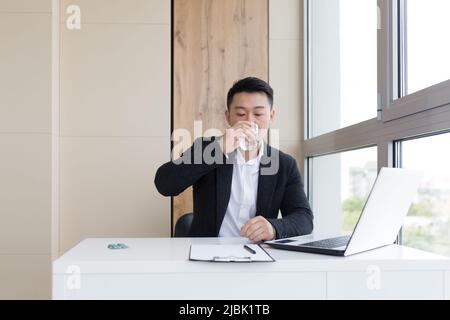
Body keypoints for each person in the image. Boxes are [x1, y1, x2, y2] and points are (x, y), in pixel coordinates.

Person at [155, 77, 313, 241]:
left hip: (258, 254)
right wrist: (218, 149)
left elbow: (304, 218)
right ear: (228, 117)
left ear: (271, 116)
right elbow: (164, 184)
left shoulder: (284, 164)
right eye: (240, 114)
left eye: (258, 114)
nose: (249, 121)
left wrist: (274, 228)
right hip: (207, 253)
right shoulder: (207, 148)